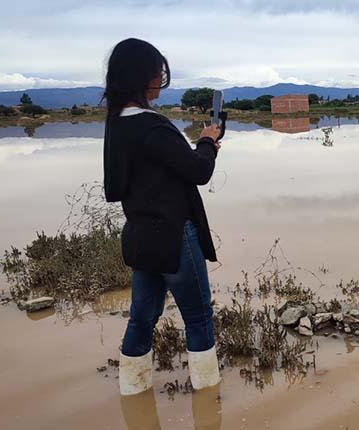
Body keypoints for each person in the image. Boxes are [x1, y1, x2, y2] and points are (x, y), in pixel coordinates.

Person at [102, 38, 222, 395]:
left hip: (140, 237)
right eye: (158, 74)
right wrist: (207, 142)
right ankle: (209, 399)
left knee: (141, 318)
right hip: (174, 236)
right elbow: (198, 171)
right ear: (143, 76)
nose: (160, 81)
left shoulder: (117, 125)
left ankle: (133, 394)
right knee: (199, 318)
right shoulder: (152, 125)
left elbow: (115, 188)